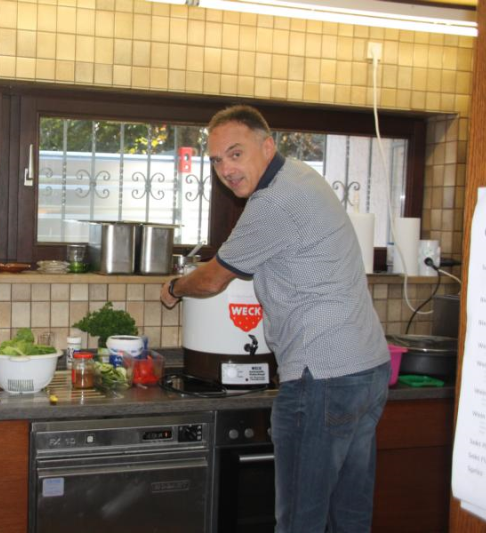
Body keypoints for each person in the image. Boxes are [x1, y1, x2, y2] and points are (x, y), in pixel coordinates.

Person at [161, 105, 390, 533]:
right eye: (216, 160)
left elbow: (213, 279)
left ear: (267, 146)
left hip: (322, 375)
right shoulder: (301, 175)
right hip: (366, 368)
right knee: (350, 514)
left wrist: (174, 288)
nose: (225, 170)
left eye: (235, 154)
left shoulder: (274, 201)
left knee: (300, 519)